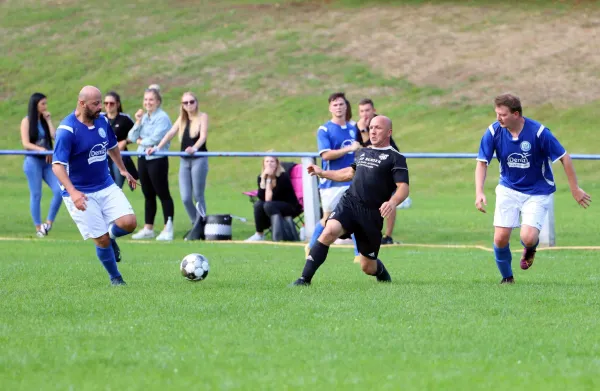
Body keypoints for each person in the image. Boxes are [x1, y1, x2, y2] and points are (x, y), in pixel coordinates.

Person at [475, 93, 591, 284]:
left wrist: (575, 189)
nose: (498, 118)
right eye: (497, 113)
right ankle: (507, 278)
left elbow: (564, 157)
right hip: (508, 189)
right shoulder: (493, 131)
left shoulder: (539, 132)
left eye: (502, 114)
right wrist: (479, 191)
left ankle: (530, 249)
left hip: (538, 192)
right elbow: (482, 163)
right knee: (501, 239)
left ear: (516, 114)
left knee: (528, 237)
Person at [290, 116, 409, 286]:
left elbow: (403, 187)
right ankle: (304, 279)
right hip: (350, 203)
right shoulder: (363, 152)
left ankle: (380, 271)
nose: (373, 131)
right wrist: (322, 173)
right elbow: (347, 173)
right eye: (371, 127)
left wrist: (392, 202)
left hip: (371, 214)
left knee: (367, 267)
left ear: (389, 132)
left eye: (378, 128)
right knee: (329, 231)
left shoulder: (396, 158)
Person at [52, 86, 138, 286]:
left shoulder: (102, 121)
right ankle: (116, 278)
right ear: (82, 104)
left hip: (105, 185)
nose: (101, 107)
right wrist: (73, 192)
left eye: (101, 102)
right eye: (96, 103)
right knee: (101, 240)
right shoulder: (67, 130)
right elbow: (57, 166)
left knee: (129, 223)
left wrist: (123, 170)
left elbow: (112, 146)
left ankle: (113, 236)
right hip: (81, 193)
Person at [305, 92, 361, 255]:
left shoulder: (354, 127)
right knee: (327, 218)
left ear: (346, 106)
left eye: (341, 104)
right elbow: (326, 154)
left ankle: (359, 255)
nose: (338, 107)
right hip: (331, 182)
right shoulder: (324, 129)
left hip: (351, 180)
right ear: (330, 108)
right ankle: (311, 246)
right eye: (335, 104)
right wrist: (348, 149)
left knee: (358, 215)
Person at [148, 91, 209, 226]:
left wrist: (194, 148)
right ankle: (196, 223)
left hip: (199, 158)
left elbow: (203, 136)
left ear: (196, 103)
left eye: (191, 102)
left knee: (198, 195)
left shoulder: (202, 116)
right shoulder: (182, 118)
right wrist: (157, 147)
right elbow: (170, 133)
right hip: (184, 160)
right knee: (186, 198)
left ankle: (202, 224)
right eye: (185, 103)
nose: (189, 105)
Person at [355, 98, 410, 245]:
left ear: (373, 110)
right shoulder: (357, 126)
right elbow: (361, 150)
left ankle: (388, 235)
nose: (365, 114)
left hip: (386, 167)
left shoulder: (381, 125)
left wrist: (364, 131)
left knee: (389, 200)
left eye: (367, 110)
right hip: (366, 169)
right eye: (361, 111)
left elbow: (375, 148)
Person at [128, 85, 174, 241]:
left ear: (158, 101)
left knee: (163, 193)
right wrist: (138, 121)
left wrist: (141, 141)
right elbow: (132, 136)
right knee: (148, 194)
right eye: (146, 99)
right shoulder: (144, 117)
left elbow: (155, 139)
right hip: (142, 158)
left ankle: (168, 228)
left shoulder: (163, 118)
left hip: (157, 160)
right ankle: (148, 228)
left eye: (151, 100)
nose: (148, 102)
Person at [20, 92, 63, 237]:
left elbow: (54, 136)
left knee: (59, 190)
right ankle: (38, 227)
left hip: (47, 162)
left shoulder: (44, 121)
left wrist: (49, 120)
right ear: (35, 105)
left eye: (46, 103)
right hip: (33, 162)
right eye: (42, 104)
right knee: (36, 194)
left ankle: (48, 224)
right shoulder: (26, 121)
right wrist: (42, 150)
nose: (45, 106)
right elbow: (26, 143)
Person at [245, 155, 302, 241]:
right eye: (267, 161)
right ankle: (259, 235)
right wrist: (263, 179)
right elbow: (261, 197)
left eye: (272, 161)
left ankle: (278, 236)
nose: (269, 164)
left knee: (268, 205)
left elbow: (271, 198)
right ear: (263, 164)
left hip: (290, 206)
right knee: (258, 204)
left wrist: (268, 180)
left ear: (277, 164)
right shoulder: (260, 177)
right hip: (272, 206)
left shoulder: (283, 177)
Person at [103, 91, 138, 190]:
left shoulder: (124, 119)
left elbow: (136, 134)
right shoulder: (100, 118)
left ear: (118, 104)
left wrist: (125, 141)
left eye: (112, 103)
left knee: (116, 186)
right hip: (103, 157)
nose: (108, 106)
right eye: (106, 103)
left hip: (118, 156)